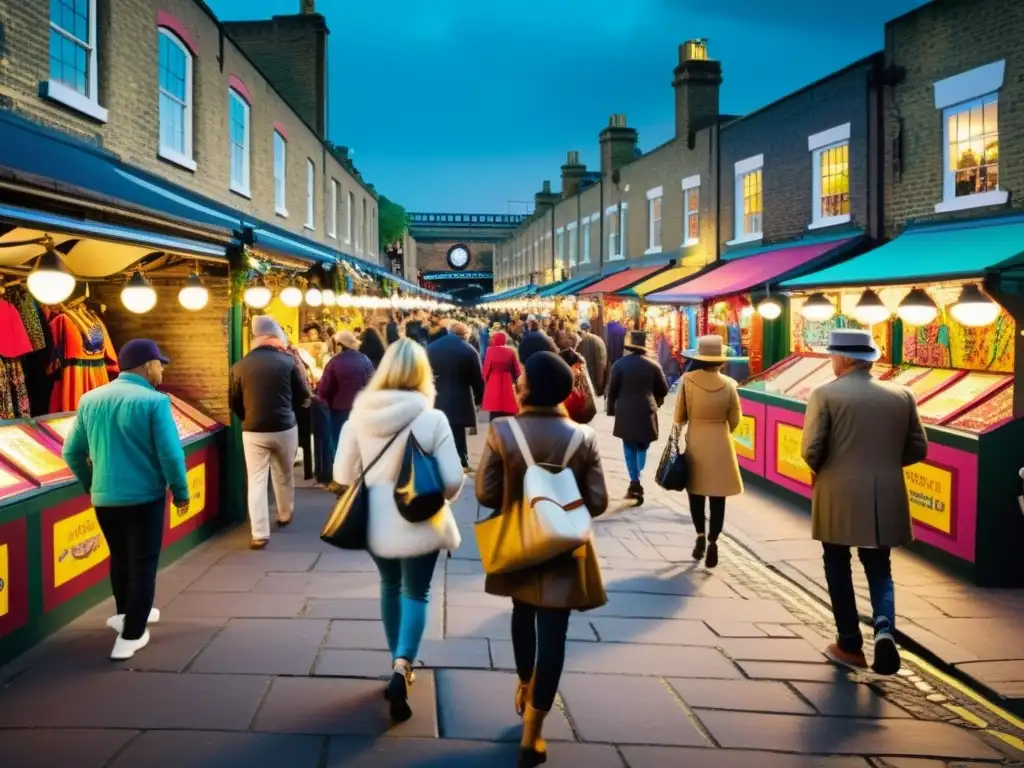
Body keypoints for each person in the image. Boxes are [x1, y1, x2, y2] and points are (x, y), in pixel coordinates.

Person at [476, 351, 608, 768]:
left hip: (520, 542)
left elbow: (484, 492)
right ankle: (534, 731)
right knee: (555, 633)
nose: (516, 385)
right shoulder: (583, 437)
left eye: (521, 380)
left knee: (521, 612)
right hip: (566, 548)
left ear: (528, 388)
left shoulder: (502, 430)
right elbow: (600, 501)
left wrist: (522, 490)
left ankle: (523, 681)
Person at [334, 339, 464, 722]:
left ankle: (397, 662)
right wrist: (442, 495)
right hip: (420, 517)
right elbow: (454, 479)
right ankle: (403, 664)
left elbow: (342, 473)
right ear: (422, 374)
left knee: (390, 586)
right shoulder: (432, 418)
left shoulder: (360, 416)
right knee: (417, 591)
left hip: (376, 517)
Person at [802, 329, 928, 675]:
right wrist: (884, 464)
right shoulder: (902, 394)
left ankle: (849, 643)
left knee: (837, 562)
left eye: (832, 357)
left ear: (843, 359)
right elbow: (918, 448)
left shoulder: (824, 394)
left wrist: (832, 469)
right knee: (879, 566)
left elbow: (811, 449)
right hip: (887, 491)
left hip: (837, 490)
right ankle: (884, 628)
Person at [63, 339, 188, 660]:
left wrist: (92, 484)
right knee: (143, 563)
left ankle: (125, 615)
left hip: (105, 498)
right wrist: (181, 492)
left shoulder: (90, 399)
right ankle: (131, 635)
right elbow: (171, 455)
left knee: (120, 557)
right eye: (160, 363)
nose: (162, 369)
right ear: (147, 366)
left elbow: (71, 451)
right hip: (144, 496)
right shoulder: (155, 402)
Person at [230, 317, 309, 548]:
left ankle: (259, 533)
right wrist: (289, 411)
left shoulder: (239, 366)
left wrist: (247, 417)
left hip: (253, 429)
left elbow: (233, 401)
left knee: (256, 480)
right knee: (284, 473)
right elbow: (302, 393)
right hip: (284, 426)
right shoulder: (288, 362)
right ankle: (284, 513)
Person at [674, 336, 743, 569]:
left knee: (696, 492)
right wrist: (722, 429)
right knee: (718, 497)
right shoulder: (730, 384)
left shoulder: (688, 381)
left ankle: (700, 537)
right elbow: (735, 419)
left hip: (697, 440)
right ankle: (714, 542)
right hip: (721, 443)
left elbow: (679, 416)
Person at [606, 330, 668, 503]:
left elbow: (612, 391)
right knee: (643, 446)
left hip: (626, 410)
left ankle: (635, 481)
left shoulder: (619, 364)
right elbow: (663, 389)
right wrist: (656, 402)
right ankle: (637, 474)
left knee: (629, 446)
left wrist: (611, 410)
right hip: (647, 410)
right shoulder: (654, 365)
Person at [427, 322, 484, 471]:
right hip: (460, 398)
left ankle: (439, 460)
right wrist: (479, 399)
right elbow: (477, 379)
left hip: (436, 396)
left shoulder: (431, 348)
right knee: (459, 433)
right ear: (464, 335)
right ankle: (461, 462)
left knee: (439, 430)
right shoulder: (469, 351)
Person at [319, 330, 375, 446]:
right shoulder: (365, 360)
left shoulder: (334, 362)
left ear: (339, 345)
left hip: (339, 412)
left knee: (340, 445)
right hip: (362, 409)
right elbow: (372, 384)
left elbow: (324, 389)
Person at [481, 330, 520, 420]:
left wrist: (485, 380)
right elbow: (516, 369)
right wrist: (516, 381)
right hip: (507, 378)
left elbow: (487, 367)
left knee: (494, 405)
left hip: (493, 379)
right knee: (508, 402)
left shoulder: (490, 351)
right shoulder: (510, 351)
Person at [559, 348, 597, 424]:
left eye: (579, 368)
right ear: (566, 366)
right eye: (576, 367)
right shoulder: (557, 387)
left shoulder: (576, 383)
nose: (578, 372)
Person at [577, 321, 608, 396]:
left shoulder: (589, 341)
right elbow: (601, 366)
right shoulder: (598, 340)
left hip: (585, 388)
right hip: (592, 388)